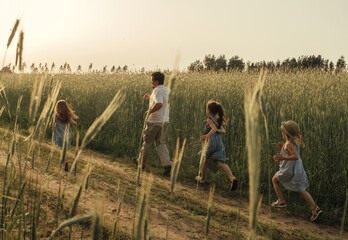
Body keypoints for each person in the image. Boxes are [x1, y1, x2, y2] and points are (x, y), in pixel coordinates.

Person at [272, 120, 322, 221]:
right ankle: (315, 209)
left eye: (282, 132)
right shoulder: (294, 142)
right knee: (302, 190)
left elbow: (295, 156)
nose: (282, 133)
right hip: (296, 171)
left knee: (275, 180)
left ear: (286, 133)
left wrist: (282, 158)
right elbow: (290, 151)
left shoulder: (289, 144)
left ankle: (281, 200)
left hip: (288, 171)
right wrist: (283, 147)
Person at [133, 72, 172, 175]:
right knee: (161, 143)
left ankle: (141, 163)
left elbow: (159, 104)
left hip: (154, 121)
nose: (151, 82)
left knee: (148, 142)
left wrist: (149, 111)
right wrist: (150, 97)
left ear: (156, 81)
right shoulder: (166, 90)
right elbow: (162, 101)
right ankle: (167, 165)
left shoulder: (156, 90)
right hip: (165, 121)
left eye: (152, 80)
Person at [195, 100, 238, 191]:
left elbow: (214, 128)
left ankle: (202, 179)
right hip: (219, 143)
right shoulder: (218, 120)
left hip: (211, 143)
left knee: (205, 160)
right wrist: (217, 131)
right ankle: (232, 177)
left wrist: (207, 135)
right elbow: (223, 131)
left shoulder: (209, 120)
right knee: (221, 162)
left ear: (208, 111)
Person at [51, 100, 78, 171]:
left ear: (57, 107)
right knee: (64, 150)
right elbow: (73, 123)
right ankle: (64, 162)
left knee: (62, 149)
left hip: (59, 135)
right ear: (66, 107)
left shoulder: (54, 115)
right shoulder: (67, 116)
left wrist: (55, 127)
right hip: (66, 135)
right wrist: (74, 123)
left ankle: (64, 162)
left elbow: (51, 125)